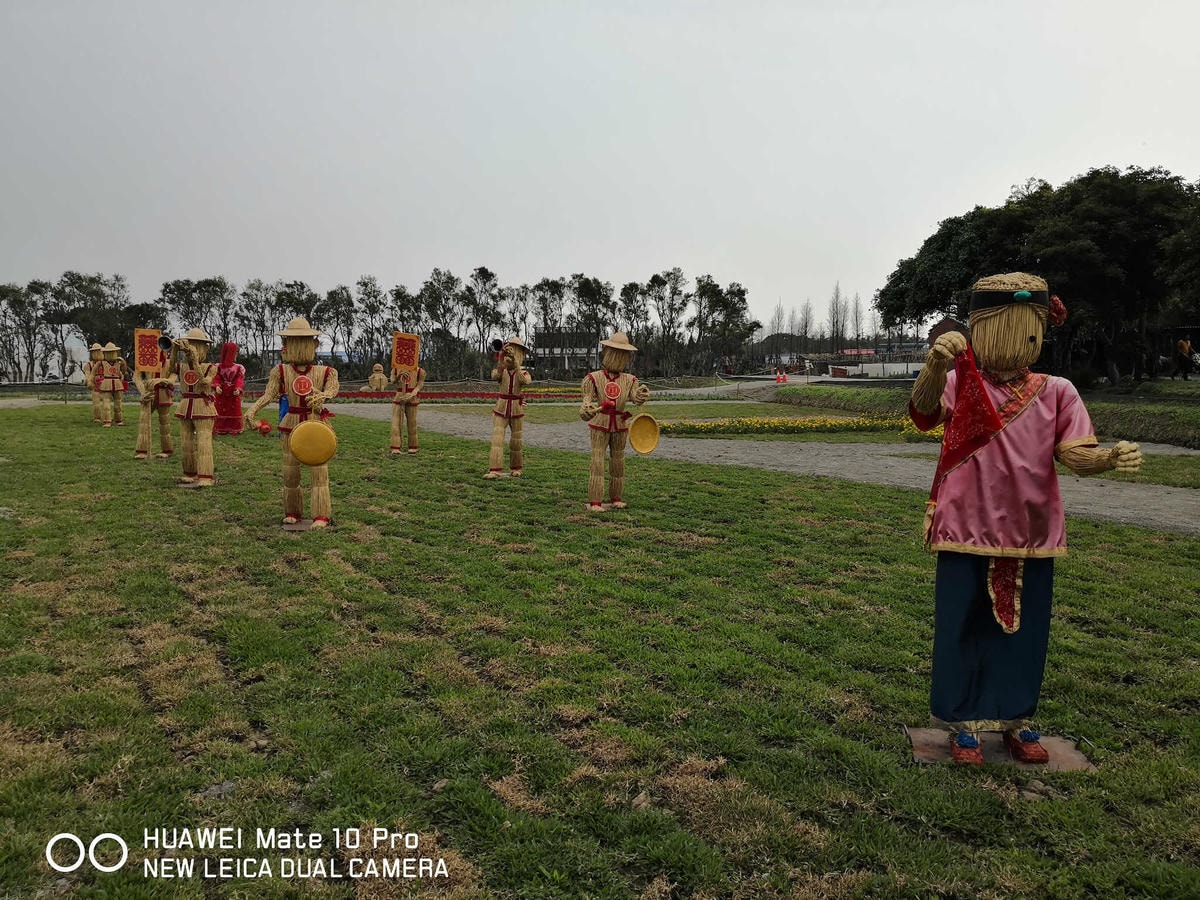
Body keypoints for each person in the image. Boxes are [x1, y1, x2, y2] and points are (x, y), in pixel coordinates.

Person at [909, 273, 1142, 766]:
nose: (1020, 341)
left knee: (1027, 628)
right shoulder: (961, 380)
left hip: (1030, 528)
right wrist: (934, 364)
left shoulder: (1057, 391)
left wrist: (1104, 458)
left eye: (1030, 330)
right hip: (965, 524)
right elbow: (924, 414)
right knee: (962, 621)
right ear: (980, 329)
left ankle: (1017, 716)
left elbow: (1075, 451)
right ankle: (963, 721)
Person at [244, 317, 339, 527]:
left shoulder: (326, 372)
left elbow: (332, 389)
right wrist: (252, 410)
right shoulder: (280, 372)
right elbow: (268, 395)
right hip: (290, 423)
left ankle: (321, 515)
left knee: (319, 471)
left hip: (316, 424)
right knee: (290, 471)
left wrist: (323, 396)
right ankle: (292, 511)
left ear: (313, 344)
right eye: (290, 342)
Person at [579, 331, 650, 510]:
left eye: (623, 354)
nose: (619, 357)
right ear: (607, 351)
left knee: (618, 462)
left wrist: (641, 395)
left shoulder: (630, 380)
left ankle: (616, 498)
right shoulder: (593, 378)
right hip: (600, 423)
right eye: (615, 352)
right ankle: (595, 501)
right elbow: (586, 401)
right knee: (597, 460)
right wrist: (586, 409)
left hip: (619, 425)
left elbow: (636, 398)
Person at [169, 328, 218, 487]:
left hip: (202, 406)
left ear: (205, 348)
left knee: (204, 440)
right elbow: (170, 369)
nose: (193, 349)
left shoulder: (211, 367)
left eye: (197, 346)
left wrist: (195, 360)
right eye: (191, 345)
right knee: (186, 442)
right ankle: (189, 473)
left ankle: (205, 475)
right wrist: (174, 350)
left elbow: (204, 382)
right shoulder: (182, 366)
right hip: (185, 405)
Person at [485, 337, 531, 478]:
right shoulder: (501, 371)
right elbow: (496, 376)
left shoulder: (524, 373)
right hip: (501, 407)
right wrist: (501, 360)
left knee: (516, 440)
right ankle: (495, 469)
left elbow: (525, 382)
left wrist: (516, 365)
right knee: (497, 437)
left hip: (516, 408)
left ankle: (516, 468)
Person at [132, 348, 176, 459]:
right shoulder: (145, 360)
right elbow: (136, 377)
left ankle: (167, 449)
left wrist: (159, 380)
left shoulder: (171, 363)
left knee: (165, 424)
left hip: (163, 395)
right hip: (148, 395)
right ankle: (142, 450)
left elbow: (172, 379)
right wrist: (143, 392)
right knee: (144, 422)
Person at [389, 363, 426, 455]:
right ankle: (395, 446)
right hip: (399, 397)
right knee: (395, 423)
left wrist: (412, 394)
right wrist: (398, 376)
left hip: (412, 398)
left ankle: (413, 446)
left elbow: (420, 384)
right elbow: (392, 381)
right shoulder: (396, 369)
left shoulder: (420, 371)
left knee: (412, 423)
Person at [213, 342, 246, 435]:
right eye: (235, 352)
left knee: (234, 410)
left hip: (233, 393)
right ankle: (220, 428)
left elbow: (239, 379)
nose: (236, 355)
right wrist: (216, 386)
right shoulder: (217, 367)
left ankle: (234, 428)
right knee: (220, 409)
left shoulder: (238, 367)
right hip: (221, 393)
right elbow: (216, 378)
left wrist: (238, 388)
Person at [94, 342, 129, 427]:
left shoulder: (119, 362)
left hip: (117, 383)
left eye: (113, 352)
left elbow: (124, 371)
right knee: (106, 403)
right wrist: (91, 380)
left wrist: (123, 362)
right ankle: (107, 420)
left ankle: (119, 420)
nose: (111, 354)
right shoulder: (101, 362)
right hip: (107, 383)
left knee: (118, 404)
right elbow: (93, 372)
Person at [82, 342, 104, 423]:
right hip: (95, 385)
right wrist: (87, 381)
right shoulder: (88, 365)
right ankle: (97, 417)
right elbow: (87, 374)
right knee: (96, 402)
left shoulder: (105, 363)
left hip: (106, 384)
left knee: (106, 402)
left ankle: (107, 417)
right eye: (94, 352)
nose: (96, 353)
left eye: (98, 351)